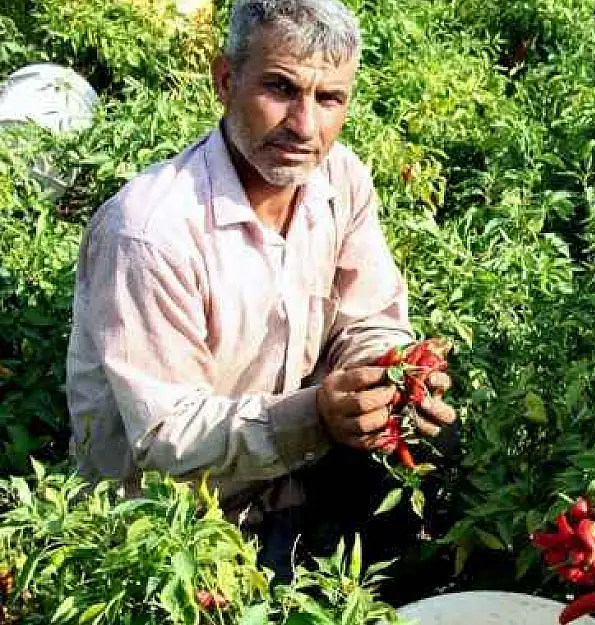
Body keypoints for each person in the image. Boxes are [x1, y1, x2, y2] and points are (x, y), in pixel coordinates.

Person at [65, 0, 458, 580]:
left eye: (329, 100)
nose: (305, 127)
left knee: (434, 446)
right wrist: (318, 416)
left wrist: (386, 375)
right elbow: (164, 438)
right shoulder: (151, 233)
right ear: (226, 80)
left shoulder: (339, 178)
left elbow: (370, 313)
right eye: (280, 89)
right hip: (170, 521)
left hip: (287, 473)